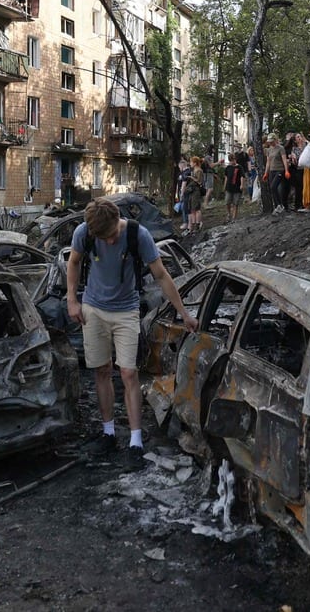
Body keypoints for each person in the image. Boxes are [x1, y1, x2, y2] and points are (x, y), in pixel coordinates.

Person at [67, 199, 199, 469]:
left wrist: (184, 313)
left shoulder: (139, 235)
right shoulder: (83, 233)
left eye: (114, 234)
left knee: (128, 373)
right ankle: (108, 433)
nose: (113, 241)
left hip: (126, 311)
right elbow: (74, 262)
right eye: (107, 237)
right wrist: (72, 300)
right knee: (101, 371)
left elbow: (161, 276)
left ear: (119, 221)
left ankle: (136, 442)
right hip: (93, 310)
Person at [265, 134, 289, 214]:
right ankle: (277, 206)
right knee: (272, 189)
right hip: (272, 170)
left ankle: (280, 205)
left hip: (280, 170)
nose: (270, 143)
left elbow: (284, 159)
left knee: (273, 186)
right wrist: (266, 173)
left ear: (275, 140)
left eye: (272, 141)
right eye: (269, 142)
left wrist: (286, 171)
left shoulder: (281, 148)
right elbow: (268, 162)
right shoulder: (268, 150)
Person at [223, 152, 245, 222]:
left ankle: (234, 218)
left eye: (233, 160)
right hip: (229, 187)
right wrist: (224, 186)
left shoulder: (239, 167)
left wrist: (242, 185)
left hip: (237, 187)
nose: (232, 162)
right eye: (231, 160)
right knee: (227, 202)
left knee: (235, 203)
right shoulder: (228, 167)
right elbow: (226, 177)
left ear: (235, 159)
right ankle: (229, 214)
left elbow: (242, 176)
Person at [187, 156, 205, 232]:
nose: (190, 164)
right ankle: (194, 223)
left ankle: (198, 224)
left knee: (196, 208)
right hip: (191, 191)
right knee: (192, 209)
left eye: (191, 162)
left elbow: (200, 182)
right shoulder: (193, 170)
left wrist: (192, 178)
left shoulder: (199, 171)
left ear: (195, 163)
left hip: (196, 190)